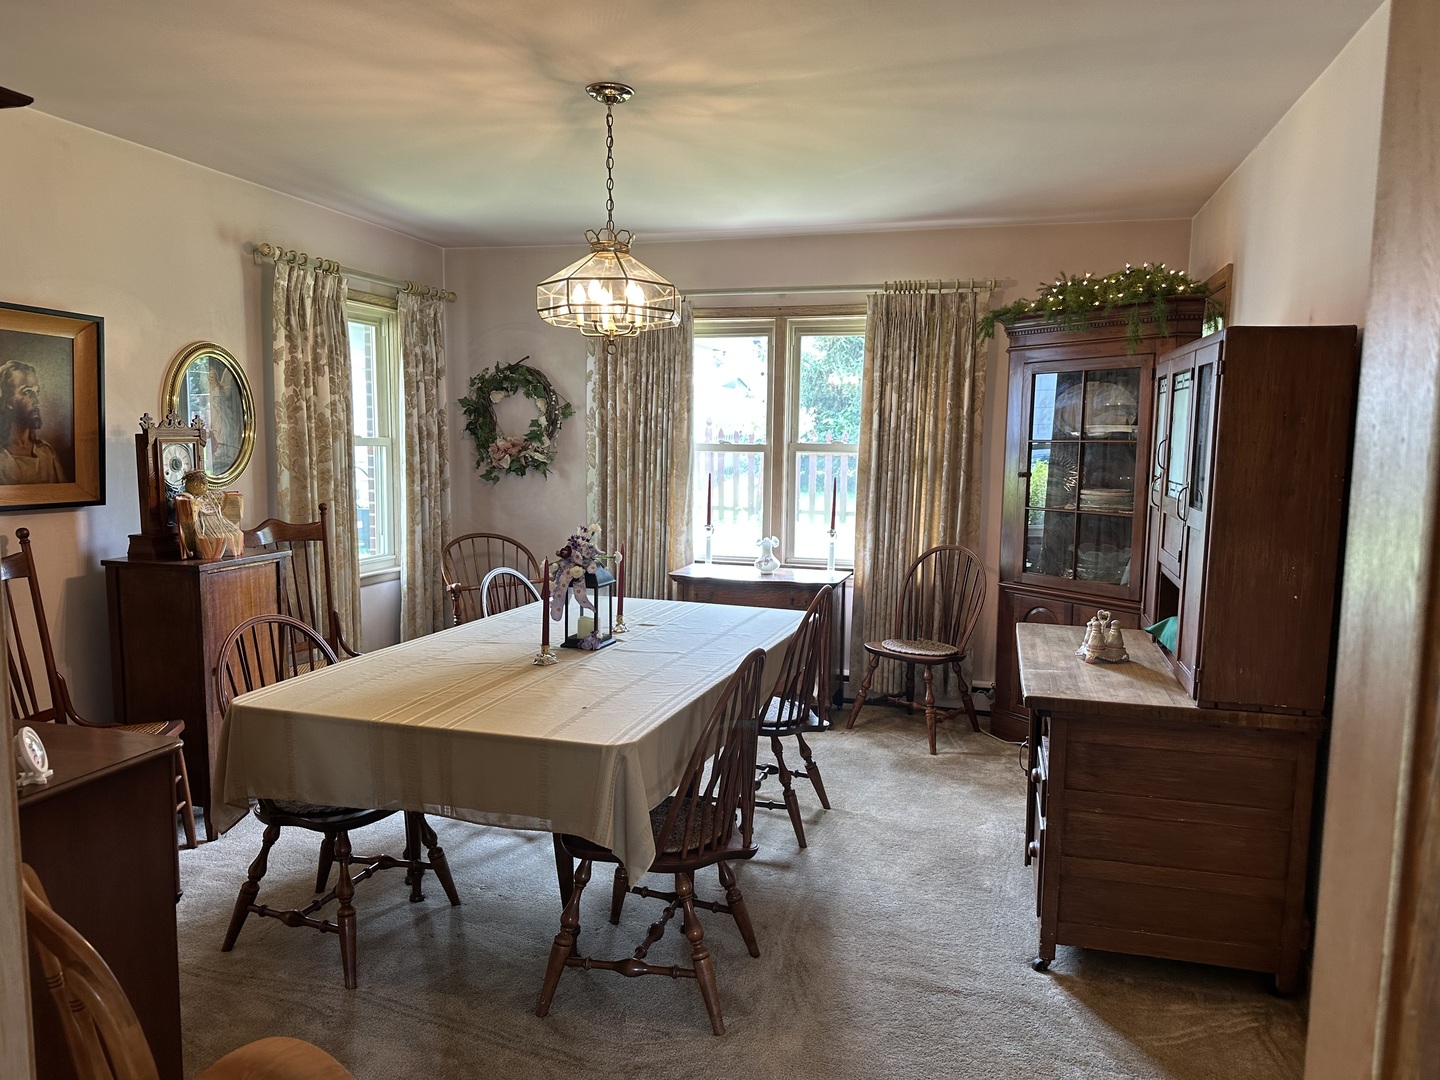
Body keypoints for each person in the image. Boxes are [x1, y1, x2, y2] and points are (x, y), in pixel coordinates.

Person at [0, 360, 66, 485]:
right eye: (27, 392)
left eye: (37, 392)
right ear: (9, 402)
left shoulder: (46, 453)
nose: (37, 401)